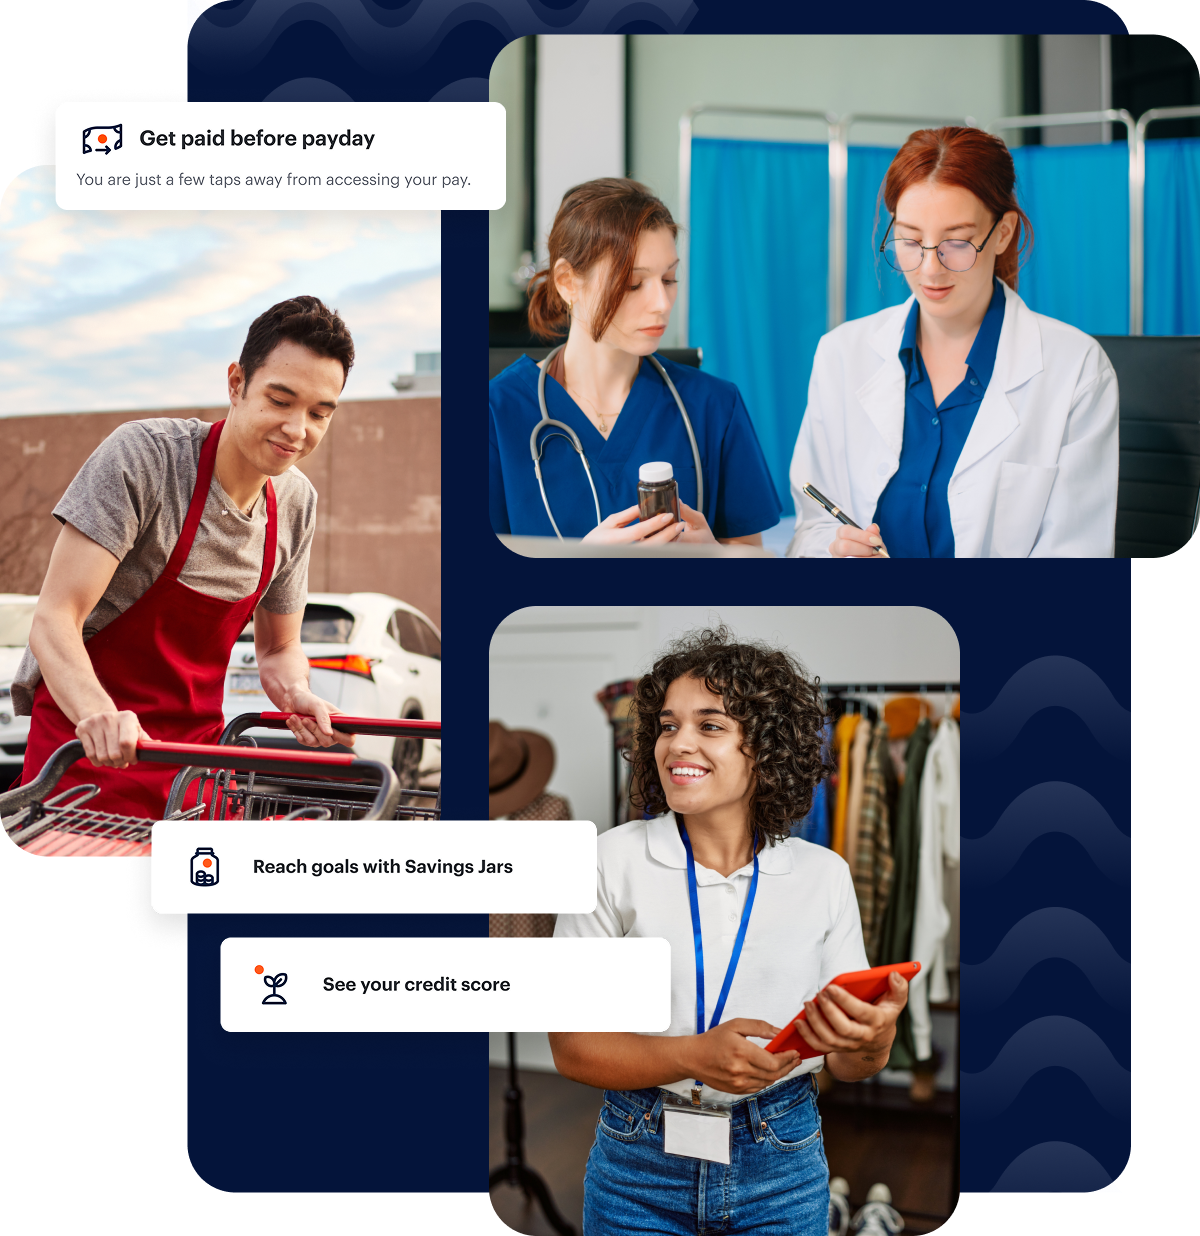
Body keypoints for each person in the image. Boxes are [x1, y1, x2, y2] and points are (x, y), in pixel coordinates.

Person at [552, 628, 909, 1235]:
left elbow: (851, 1065)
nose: (677, 743)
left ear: (766, 749)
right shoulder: (608, 860)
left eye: (710, 725)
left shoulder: (823, 874)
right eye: (667, 725)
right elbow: (571, 1047)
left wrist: (874, 1038)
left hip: (781, 1160)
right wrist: (692, 1055)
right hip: (638, 1164)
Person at [13, 295, 357, 817]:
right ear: (236, 384)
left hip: (194, 767)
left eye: (318, 413)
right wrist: (98, 714)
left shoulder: (296, 503)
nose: (297, 429)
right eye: (280, 401)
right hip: (88, 753)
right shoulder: (146, 458)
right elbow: (55, 618)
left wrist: (296, 693)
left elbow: (279, 648)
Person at [787, 126, 1118, 559]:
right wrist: (835, 553)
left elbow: (1076, 557)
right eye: (910, 240)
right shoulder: (842, 354)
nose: (930, 269)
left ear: (1003, 233)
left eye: (956, 242)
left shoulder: (1076, 369)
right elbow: (812, 527)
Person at [490, 178, 781, 546]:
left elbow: (751, 553)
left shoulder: (713, 406)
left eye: (669, 278)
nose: (661, 303)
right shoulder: (497, 411)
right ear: (567, 281)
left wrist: (714, 556)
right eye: (632, 283)